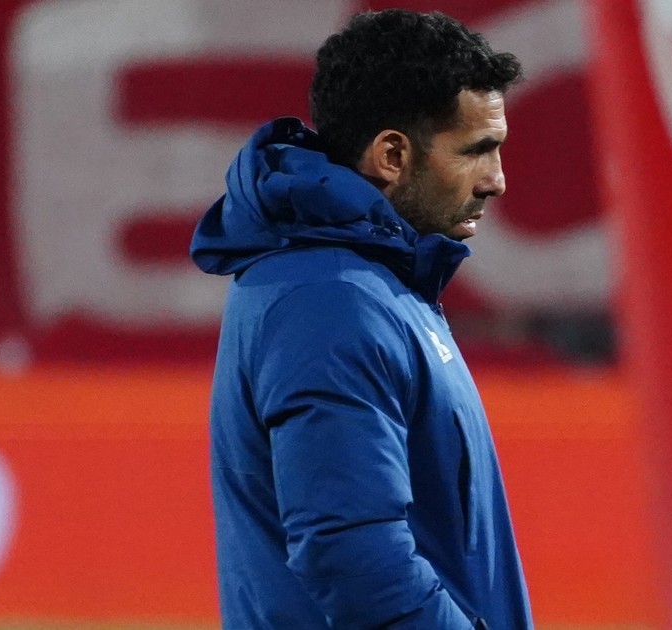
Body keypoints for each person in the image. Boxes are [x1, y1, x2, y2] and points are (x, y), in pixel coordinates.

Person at [189, 9, 530, 629]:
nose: (497, 181)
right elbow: (354, 557)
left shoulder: (372, 281)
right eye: (476, 151)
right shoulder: (332, 301)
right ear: (392, 155)